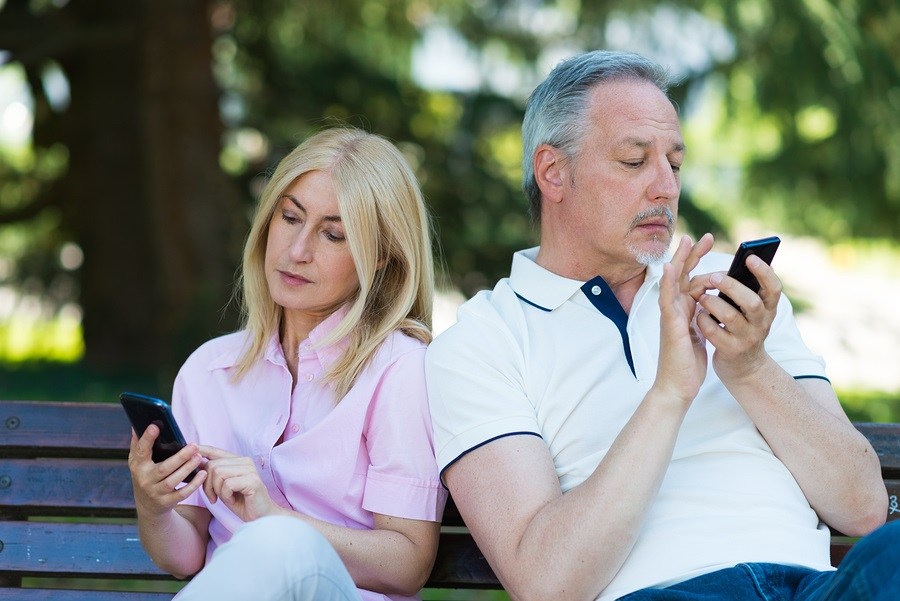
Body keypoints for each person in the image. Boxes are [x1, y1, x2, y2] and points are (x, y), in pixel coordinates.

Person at [424, 50, 899, 601]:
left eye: (673, 163)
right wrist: (669, 393)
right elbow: (546, 581)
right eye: (634, 161)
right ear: (553, 172)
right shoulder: (483, 341)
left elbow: (864, 507)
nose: (666, 188)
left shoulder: (729, 293)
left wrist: (748, 367)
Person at [128, 126, 447, 601]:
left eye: (334, 234)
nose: (297, 251)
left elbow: (406, 564)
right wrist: (152, 503)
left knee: (277, 544)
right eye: (290, 218)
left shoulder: (399, 370)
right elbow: (186, 557)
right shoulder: (208, 371)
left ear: (381, 257)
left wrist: (273, 518)